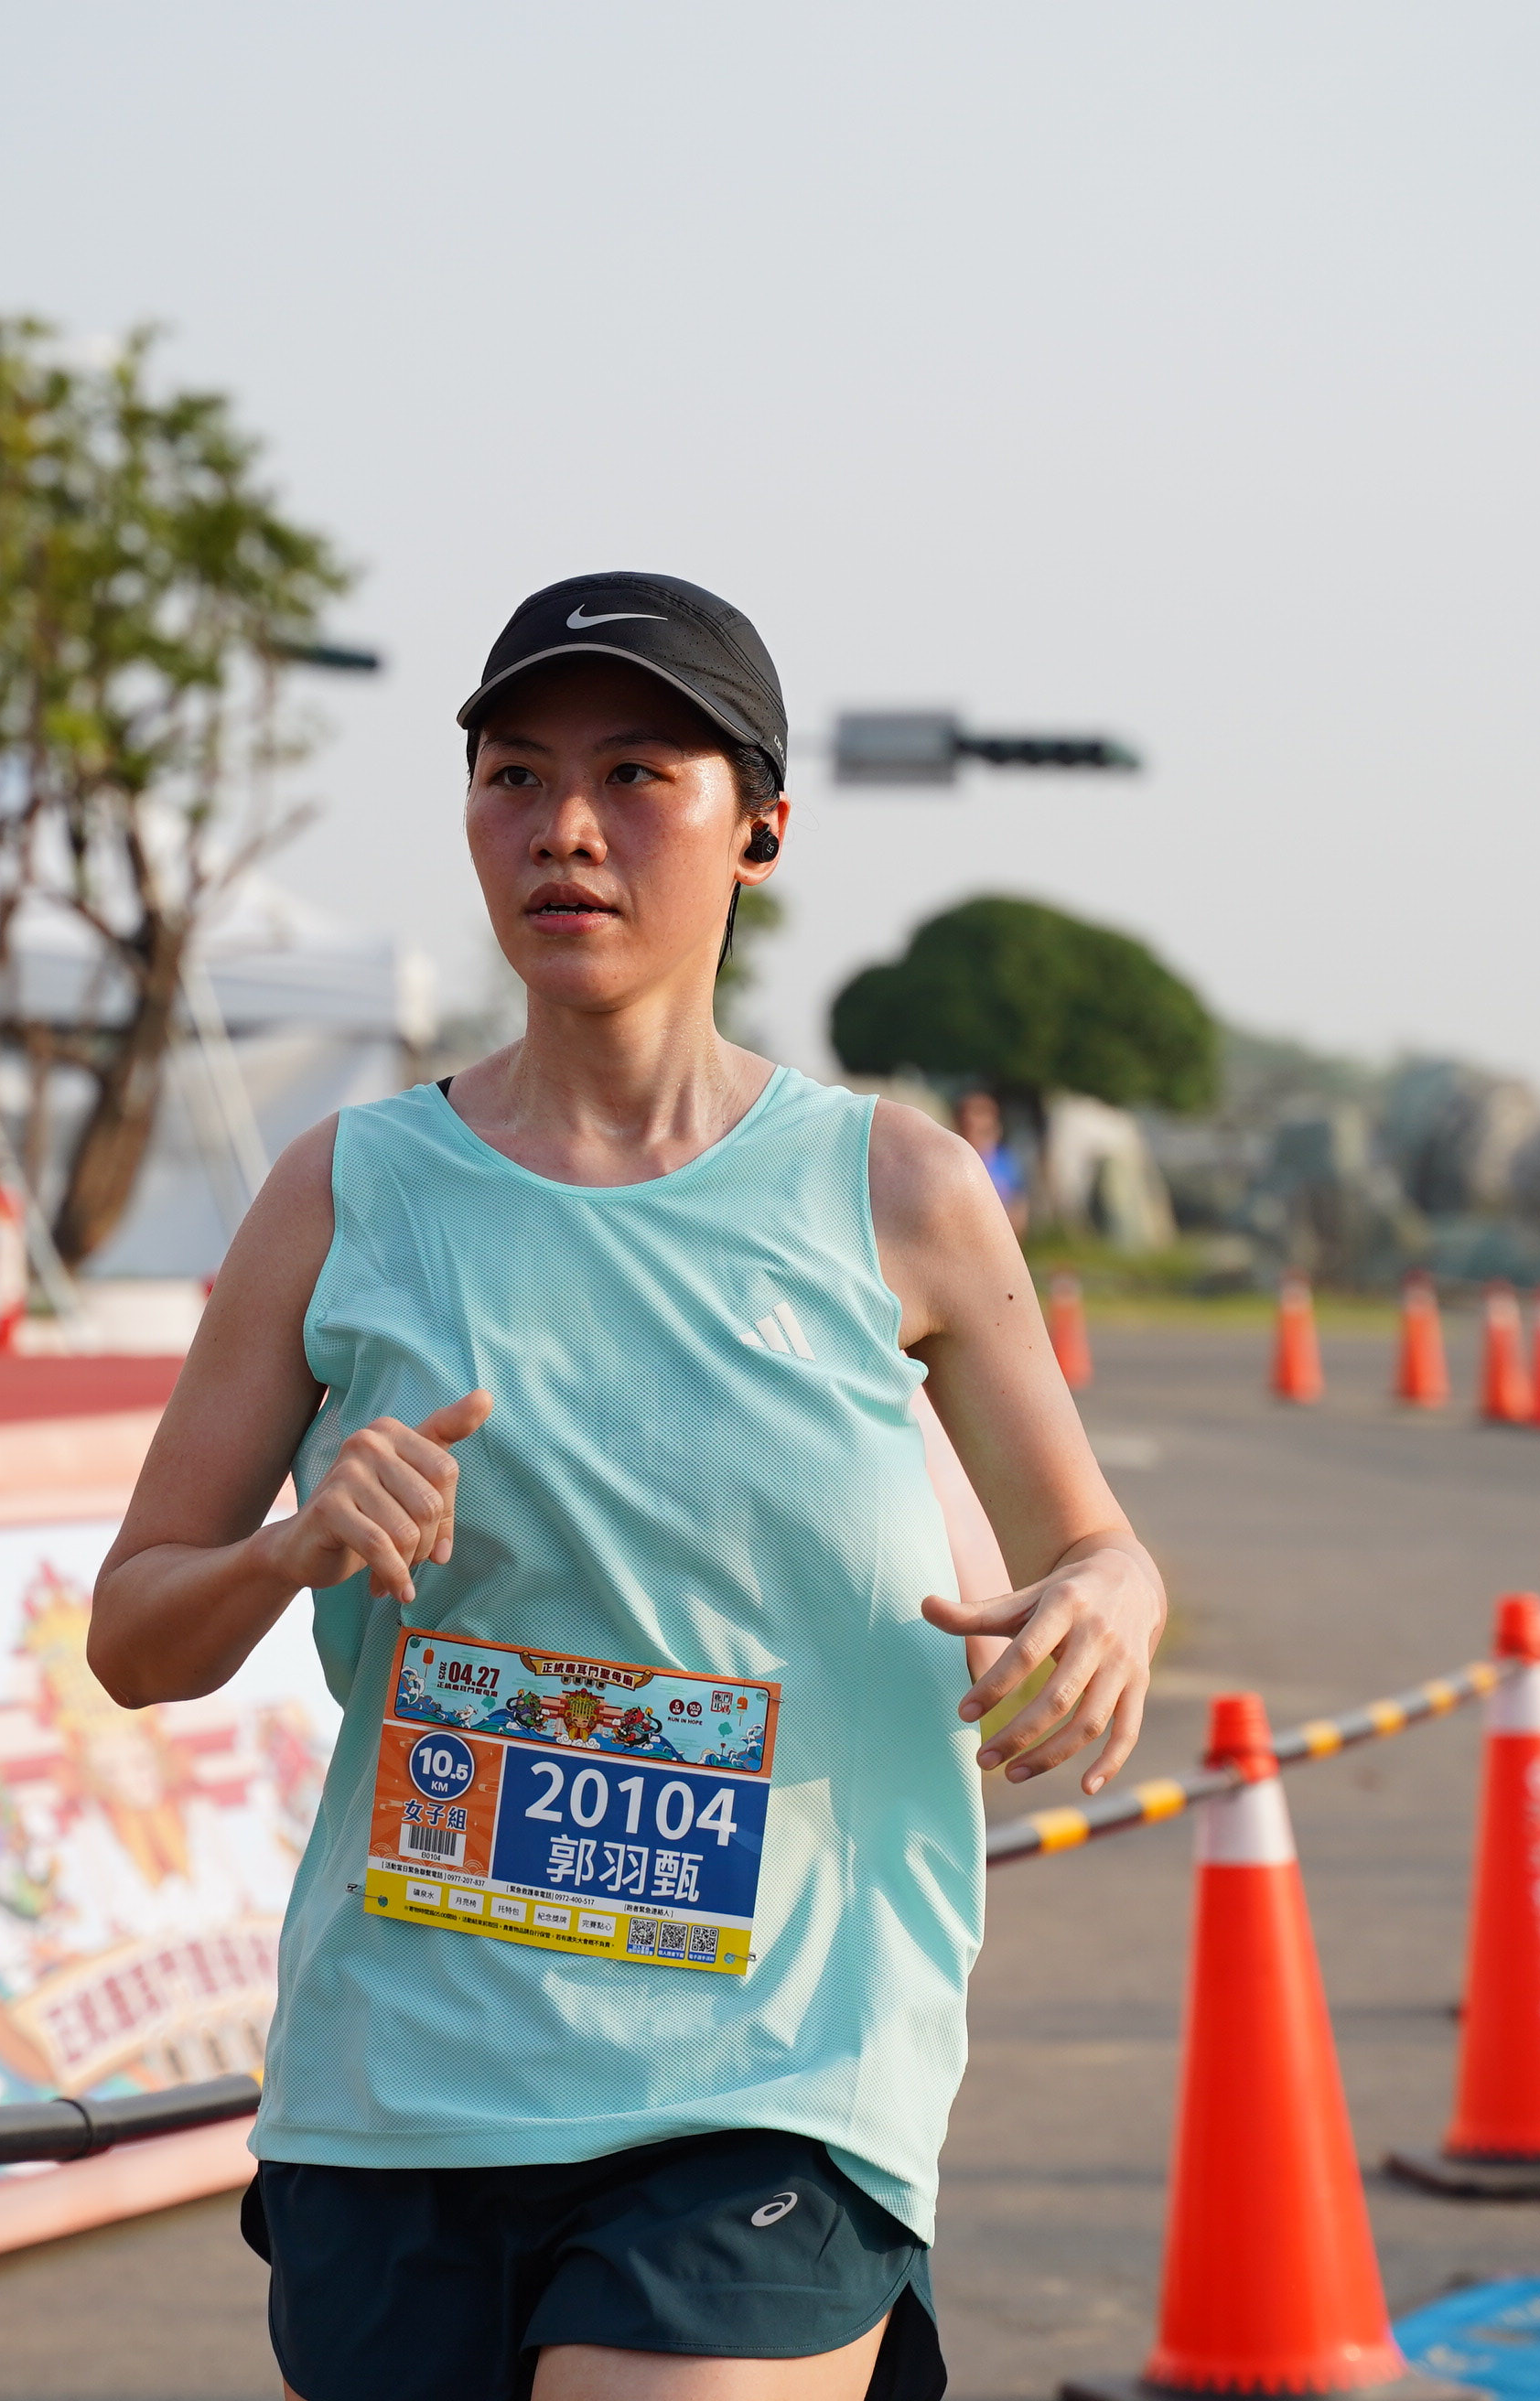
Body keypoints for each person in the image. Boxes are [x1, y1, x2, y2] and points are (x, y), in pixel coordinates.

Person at [89, 571, 1164, 2401]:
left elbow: (1096, 1543)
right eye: (514, 773)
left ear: (760, 828)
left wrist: (1105, 1603)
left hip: (776, 2076)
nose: (564, 826)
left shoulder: (895, 1191)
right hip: (398, 2090)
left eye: (635, 775)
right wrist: (289, 1548)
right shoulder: (342, 1189)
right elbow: (133, 1634)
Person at [953, 1089, 1028, 1233]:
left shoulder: (1006, 1162)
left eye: (980, 1112)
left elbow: (1018, 1208)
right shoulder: (950, 1162)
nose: (973, 1120)